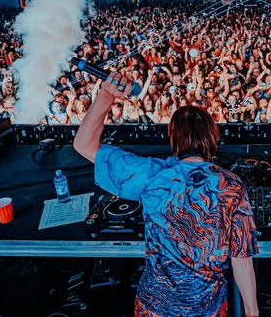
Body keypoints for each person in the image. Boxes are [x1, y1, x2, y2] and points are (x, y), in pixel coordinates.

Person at [73, 73, 259, 317]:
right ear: (213, 138)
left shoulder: (150, 175)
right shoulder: (232, 186)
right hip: (207, 308)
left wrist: (106, 95)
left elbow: (83, 145)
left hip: (155, 307)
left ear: (174, 138)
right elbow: (241, 259)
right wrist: (252, 312)